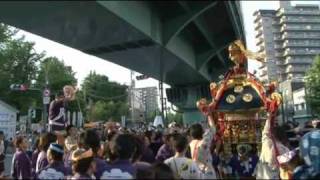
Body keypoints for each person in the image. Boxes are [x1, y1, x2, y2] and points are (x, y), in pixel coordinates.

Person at [189, 115, 217, 179]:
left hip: (195, 172)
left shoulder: (190, 144)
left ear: (191, 135)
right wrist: (210, 115)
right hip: (208, 172)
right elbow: (213, 128)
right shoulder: (205, 142)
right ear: (202, 132)